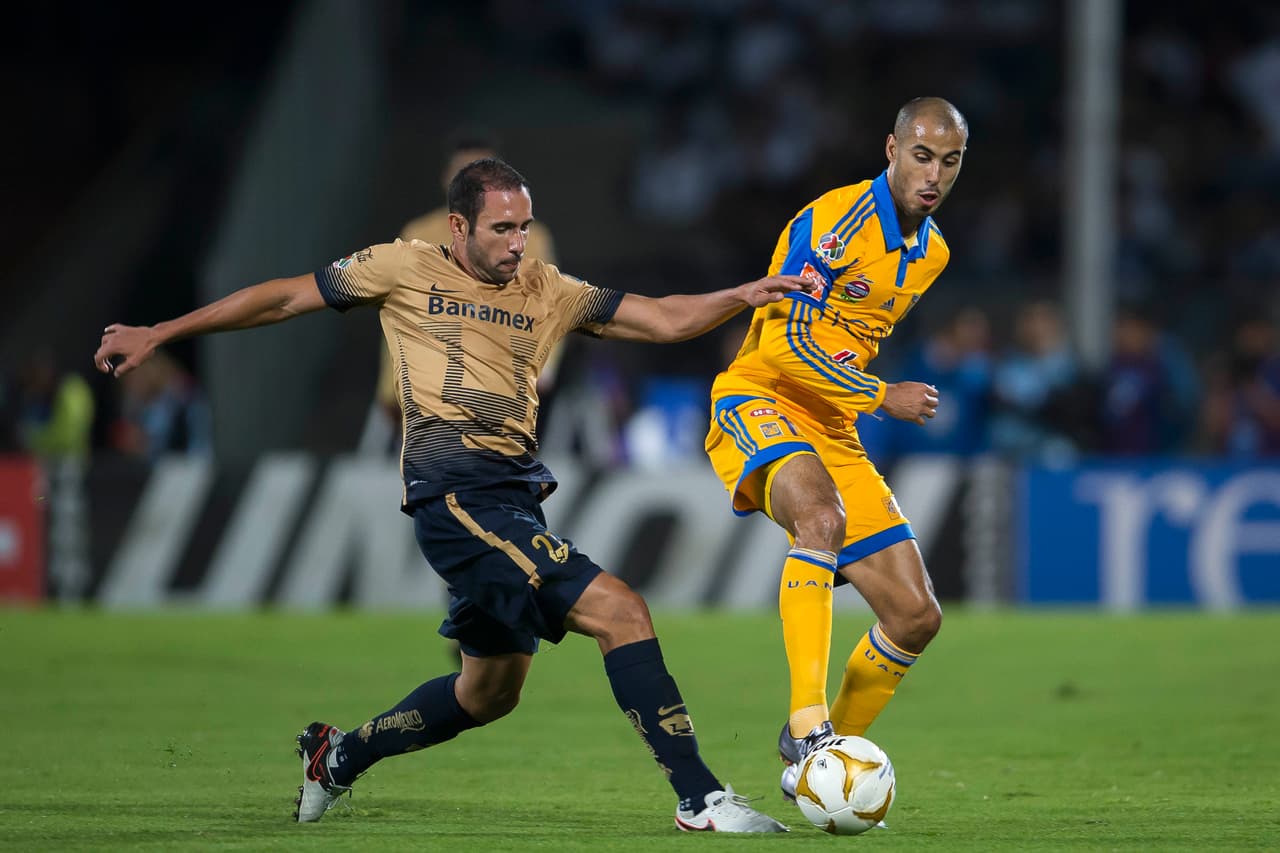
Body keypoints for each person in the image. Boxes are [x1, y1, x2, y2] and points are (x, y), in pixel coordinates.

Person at [95, 158, 807, 833]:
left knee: (487, 694)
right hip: (455, 497)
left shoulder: (548, 289)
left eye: (524, 227)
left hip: (513, 501)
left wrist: (742, 295)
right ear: (458, 227)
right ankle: (700, 798)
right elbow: (285, 296)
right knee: (620, 610)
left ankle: (337, 756)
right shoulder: (402, 266)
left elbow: (662, 318)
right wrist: (163, 332)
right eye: (502, 228)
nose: (517, 242)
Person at [703, 97, 966, 801]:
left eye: (949, 162)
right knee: (821, 519)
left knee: (915, 615)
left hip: (832, 425)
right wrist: (881, 395)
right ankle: (807, 724)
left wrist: (859, 399)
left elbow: (846, 337)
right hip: (759, 397)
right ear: (892, 150)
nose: (933, 174)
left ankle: (819, 769)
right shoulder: (834, 222)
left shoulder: (933, 253)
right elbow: (783, 344)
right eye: (921, 156)